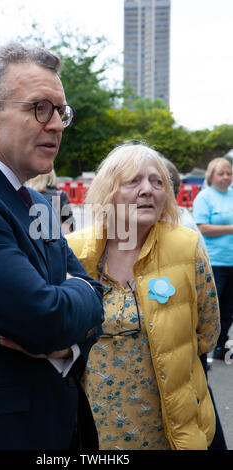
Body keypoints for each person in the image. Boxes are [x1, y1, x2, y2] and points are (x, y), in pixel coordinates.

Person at [0, 43, 104, 450]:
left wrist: (69, 336)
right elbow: (44, 319)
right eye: (40, 108)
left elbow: (95, 300)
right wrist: (73, 300)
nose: (57, 125)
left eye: (61, 112)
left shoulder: (38, 202)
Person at [67, 143, 220, 450]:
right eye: (134, 181)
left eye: (157, 181)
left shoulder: (187, 247)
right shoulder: (74, 250)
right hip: (94, 424)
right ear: (109, 191)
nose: (148, 190)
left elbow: (207, 333)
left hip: (170, 426)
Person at [162, 156, 227, 450]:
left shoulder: (182, 230)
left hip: (182, 348)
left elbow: (208, 315)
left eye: (155, 182)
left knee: (195, 401)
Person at [193, 158, 233, 361]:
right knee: (210, 308)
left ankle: (220, 346)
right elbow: (203, 227)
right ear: (211, 176)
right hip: (214, 262)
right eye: (221, 173)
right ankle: (202, 348)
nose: (226, 177)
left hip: (232, 261)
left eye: (229, 173)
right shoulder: (204, 197)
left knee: (229, 310)